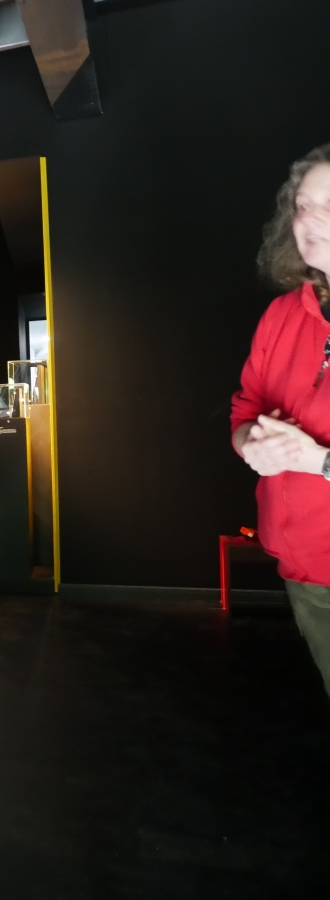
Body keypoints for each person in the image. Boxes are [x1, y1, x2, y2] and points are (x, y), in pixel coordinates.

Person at [233, 143, 330, 700]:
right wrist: (251, 443)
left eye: (328, 206)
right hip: (304, 570)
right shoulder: (283, 313)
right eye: (302, 205)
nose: (309, 220)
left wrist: (317, 460)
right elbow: (245, 408)